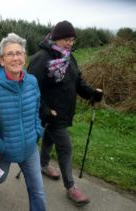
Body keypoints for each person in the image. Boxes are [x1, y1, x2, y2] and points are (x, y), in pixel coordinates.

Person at [27, 20, 103, 206]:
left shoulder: (68, 57)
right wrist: (44, 110)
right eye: (67, 39)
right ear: (56, 38)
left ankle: (43, 164)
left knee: (49, 138)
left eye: (72, 40)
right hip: (51, 113)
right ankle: (71, 187)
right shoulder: (42, 58)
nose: (70, 43)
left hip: (64, 111)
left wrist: (91, 94)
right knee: (65, 147)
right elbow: (30, 87)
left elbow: (77, 81)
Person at [0, 33, 46, 211]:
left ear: (25, 57)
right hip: (4, 151)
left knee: (38, 191)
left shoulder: (32, 82)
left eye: (19, 53)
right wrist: (1, 146)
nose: (16, 58)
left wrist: (36, 131)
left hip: (29, 148)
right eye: (10, 54)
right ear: (1, 60)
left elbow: (36, 109)